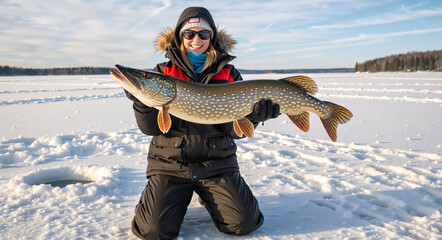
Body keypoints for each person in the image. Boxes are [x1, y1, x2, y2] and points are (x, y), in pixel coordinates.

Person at [125, 6, 280, 240]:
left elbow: (233, 131)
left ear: (212, 37)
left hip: (216, 165)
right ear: (180, 36)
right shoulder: (163, 73)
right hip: (170, 165)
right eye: (189, 34)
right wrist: (143, 102)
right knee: (153, 232)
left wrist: (253, 117)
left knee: (244, 224)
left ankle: (208, 195)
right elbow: (150, 128)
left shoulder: (229, 74)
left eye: (203, 34)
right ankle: (161, 199)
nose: (196, 39)